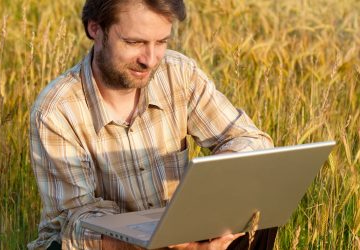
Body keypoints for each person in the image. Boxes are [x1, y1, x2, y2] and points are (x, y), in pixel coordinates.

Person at [28, 0, 278, 249]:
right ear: (95, 29)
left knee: (260, 208)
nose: (150, 60)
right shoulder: (57, 111)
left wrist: (213, 185)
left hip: (178, 230)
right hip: (107, 243)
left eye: (161, 42)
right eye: (134, 42)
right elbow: (78, 226)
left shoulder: (178, 73)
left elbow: (249, 140)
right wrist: (166, 244)